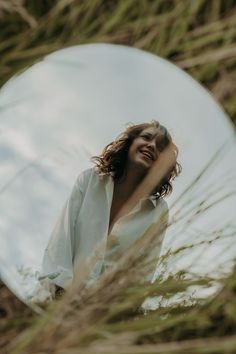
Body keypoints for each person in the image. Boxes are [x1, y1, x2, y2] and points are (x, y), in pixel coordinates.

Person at [40, 121, 181, 297]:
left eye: (160, 147)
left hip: (101, 312)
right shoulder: (90, 180)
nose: (152, 146)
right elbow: (62, 237)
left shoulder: (158, 212)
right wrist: (59, 289)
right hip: (54, 296)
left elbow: (143, 270)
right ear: (131, 142)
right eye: (146, 137)